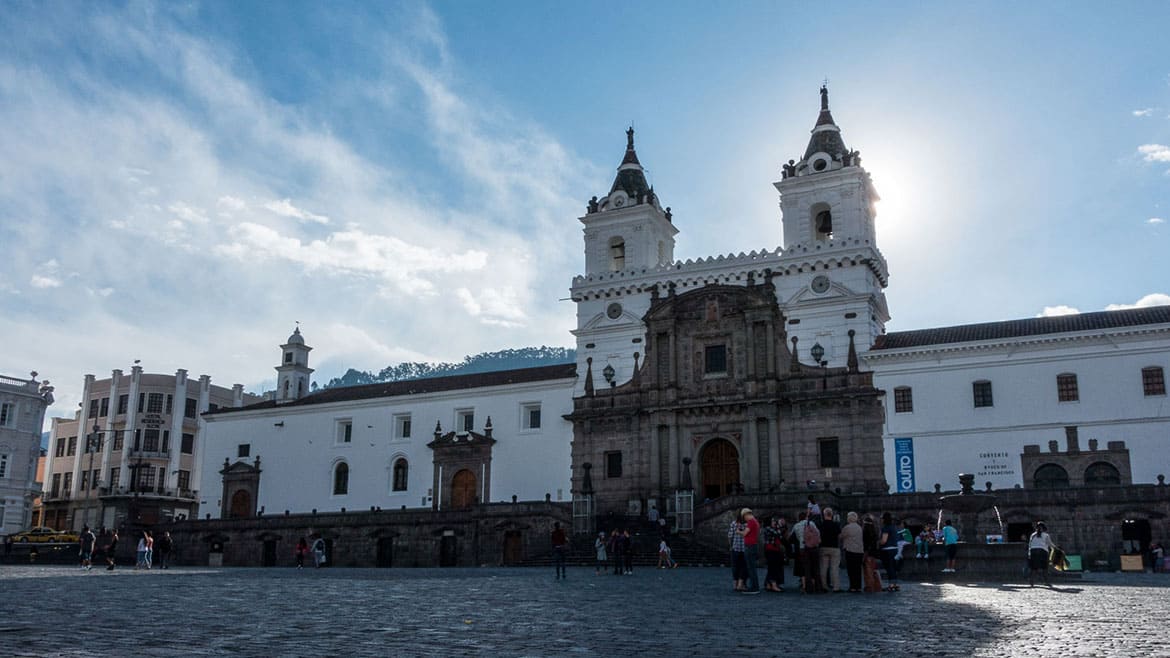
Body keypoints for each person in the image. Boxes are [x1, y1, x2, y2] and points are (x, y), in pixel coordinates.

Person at [818, 507, 843, 592]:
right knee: (834, 568)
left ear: (824, 514)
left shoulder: (820, 525)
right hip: (834, 548)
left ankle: (824, 586)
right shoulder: (835, 525)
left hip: (823, 547)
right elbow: (840, 536)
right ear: (831, 514)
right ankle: (836, 587)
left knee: (823, 568)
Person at [738, 508, 761, 594]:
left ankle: (754, 588)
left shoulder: (751, 522)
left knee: (751, 568)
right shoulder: (755, 521)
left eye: (743, 517)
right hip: (753, 546)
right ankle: (755, 586)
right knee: (752, 568)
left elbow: (745, 533)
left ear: (745, 515)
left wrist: (738, 531)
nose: (744, 519)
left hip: (750, 547)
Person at [840, 511, 864, 593]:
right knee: (858, 569)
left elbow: (841, 536)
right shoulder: (859, 527)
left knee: (851, 569)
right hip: (859, 551)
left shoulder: (847, 527)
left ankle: (853, 587)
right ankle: (858, 587)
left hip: (850, 550)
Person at [762, 516, 786, 592]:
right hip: (771, 550)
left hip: (773, 550)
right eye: (773, 521)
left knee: (771, 568)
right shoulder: (768, 528)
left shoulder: (771, 528)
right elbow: (778, 534)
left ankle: (768, 584)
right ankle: (774, 585)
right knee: (773, 568)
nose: (774, 522)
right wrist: (779, 526)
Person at [1027, 521, 1055, 587]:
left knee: (1034, 568)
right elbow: (1050, 544)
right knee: (1045, 568)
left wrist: (1029, 553)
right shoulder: (1046, 535)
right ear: (1044, 528)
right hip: (1042, 551)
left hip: (1033, 551)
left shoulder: (1032, 535)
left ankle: (1031, 581)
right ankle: (1046, 582)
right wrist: (1055, 548)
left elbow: (1030, 544)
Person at [879, 512, 900, 591]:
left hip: (887, 550)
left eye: (882, 518)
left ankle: (891, 585)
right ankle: (895, 584)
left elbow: (884, 540)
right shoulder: (894, 527)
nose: (881, 520)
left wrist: (878, 542)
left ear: (884, 519)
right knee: (893, 567)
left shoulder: (886, 528)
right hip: (895, 549)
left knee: (889, 568)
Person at [862, 515, 882, 592]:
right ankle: (877, 586)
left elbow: (865, 544)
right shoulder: (874, 532)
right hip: (874, 554)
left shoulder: (865, 532)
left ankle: (870, 587)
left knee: (868, 572)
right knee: (873, 571)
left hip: (867, 553)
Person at [728, 512, 747, 591]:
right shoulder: (747, 525)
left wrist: (730, 546)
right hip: (744, 548)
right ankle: (740, 584)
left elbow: (730, 536)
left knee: (735, 567)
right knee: (743, 567)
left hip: (735, 548)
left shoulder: (733, 523)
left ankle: (735, 584)